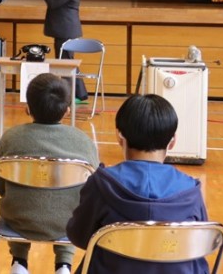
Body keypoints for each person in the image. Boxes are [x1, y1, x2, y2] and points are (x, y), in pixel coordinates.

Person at [66, 94, 208, 274]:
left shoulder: (101, 184)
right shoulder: (191, 191)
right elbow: (201, 245)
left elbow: (79, 236)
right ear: (173, 141)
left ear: (120, 137)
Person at [0, 73, 99, 274]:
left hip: (18, 219)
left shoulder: (11, 138)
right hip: (67, 224)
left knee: (18, 200)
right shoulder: (83, 141)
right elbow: (92, 189)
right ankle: (64, 265)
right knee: (73, 205)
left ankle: (19, 262)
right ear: (67, 110)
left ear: (28, 107)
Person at [42, 0, 88, 101]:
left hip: (66, 28)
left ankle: (69, 96)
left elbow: (53, 3)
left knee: (65, 63)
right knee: (67, 61)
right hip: (64, 28)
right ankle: (80, 94)